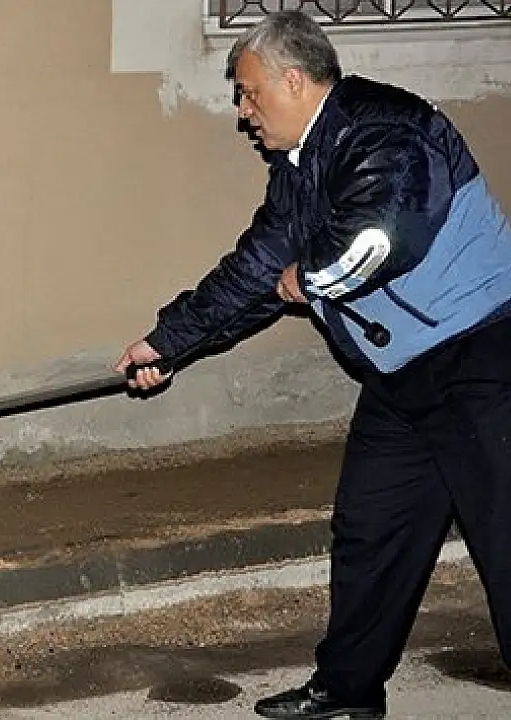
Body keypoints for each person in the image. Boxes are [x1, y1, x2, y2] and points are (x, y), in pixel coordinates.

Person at [113, 9, 511, 720]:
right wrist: (167, 343)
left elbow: (381, 237)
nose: (243, 112)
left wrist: (311, 274)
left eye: (249, 92)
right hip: (403, 375)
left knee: (505, 540)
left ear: (294, 81)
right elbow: (253, 274)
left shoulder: (390, 131)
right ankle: (347, 691)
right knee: (370, 532)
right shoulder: (298, 172)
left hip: (482, 358)